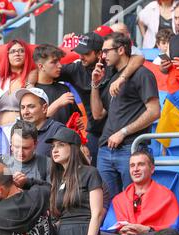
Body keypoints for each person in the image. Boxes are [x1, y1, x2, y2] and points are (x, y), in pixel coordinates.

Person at [58, 31, 145, 166]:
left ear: (99, 54)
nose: (81, 56)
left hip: (119, 131)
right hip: (95, 131)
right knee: (94, 177)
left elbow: (139, 58)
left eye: (86, 53)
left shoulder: (112, 64)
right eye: (79, 52)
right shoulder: (76, 69)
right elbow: (47, 68)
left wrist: (122, 78)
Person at [91, 32, 160, 200]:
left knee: (134, 200)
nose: (103, 56)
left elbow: (154, 112)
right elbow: (98, 114)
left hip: (131, 148)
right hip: (106, 149)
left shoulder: (142, 74)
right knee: (107, 203)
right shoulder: (111, 77)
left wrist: (123, 132)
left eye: (106, 51)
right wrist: (94, 84)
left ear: (121, 49)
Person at [45, 127, 104, 235]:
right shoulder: (57, 178)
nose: (55, 150)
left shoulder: (90, 173)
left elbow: (97, 214)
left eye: (60, 145)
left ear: (73, 148)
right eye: (53, 146)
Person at [100, 150, 179, 235]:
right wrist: (120, 230)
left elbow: (173, 230)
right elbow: (108, 227)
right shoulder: (119, 199)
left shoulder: (167, 196)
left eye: (141, 164)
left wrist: (147, 229)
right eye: (132, 166)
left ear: (152, 169)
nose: (136, 169)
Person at [33, 44, 81, 125]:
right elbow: (28, 123)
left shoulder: (64, 89)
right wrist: (58, 103)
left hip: (65, 137)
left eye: (59, 61)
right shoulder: (31, 92)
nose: (60, 65)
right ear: (41, 66)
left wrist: (77, 122)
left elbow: (76, 116)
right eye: (54, 62)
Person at [16, 87, 65, 157]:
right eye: (23, 107)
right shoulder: (18, 132)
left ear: (44, 108)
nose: (25, 112)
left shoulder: (58, 130)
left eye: (31, 106)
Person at [0, 120, 50, 187]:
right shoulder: (1, 163)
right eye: (17, 147)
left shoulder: (47, 164)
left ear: (35, 145)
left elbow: (53, 192)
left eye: (26, 148)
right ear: (11, 144)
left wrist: (28, 182)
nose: (20, 152)